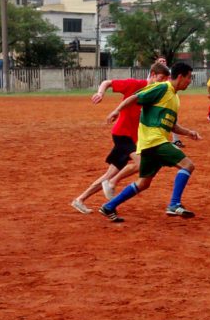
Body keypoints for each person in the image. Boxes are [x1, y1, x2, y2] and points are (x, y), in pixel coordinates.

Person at [98, 62, 202, 223]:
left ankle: (109, 206)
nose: (190, 81)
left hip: (151, 144)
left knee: (143, 183)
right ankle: (174, 204)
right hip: (154, 141)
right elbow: (135, 97)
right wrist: (117, 111)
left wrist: (189, 132)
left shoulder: (174, 98)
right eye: (189, 78)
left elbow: (171, 125)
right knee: (187, 165)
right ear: (180, 77)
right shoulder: (162, 88)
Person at [70, 62, 167, 214]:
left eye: (165, 81)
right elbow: (107, 82)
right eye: (161, 79)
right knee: (141, 164)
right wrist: (101, 93)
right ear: (153, 75)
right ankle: (112, 183)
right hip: (121, 134)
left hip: (132, 137)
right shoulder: (135, 84)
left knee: (109, 173)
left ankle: (80, 199)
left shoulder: (155, 94)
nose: (162, 84)